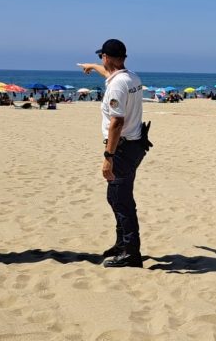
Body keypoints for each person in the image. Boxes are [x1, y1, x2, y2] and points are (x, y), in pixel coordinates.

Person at [77, 39, 150, 268]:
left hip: (122, 148)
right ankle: (122, 244)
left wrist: (108, 157)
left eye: (101, 58)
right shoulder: (131, 77)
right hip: (136, 144)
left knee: (121, 199)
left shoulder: (118, 85)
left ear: (106, 57)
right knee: (116, 197)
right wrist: (91, 65)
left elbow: (116, 123)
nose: (101, 61)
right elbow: (109, 74)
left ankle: (131, 252)